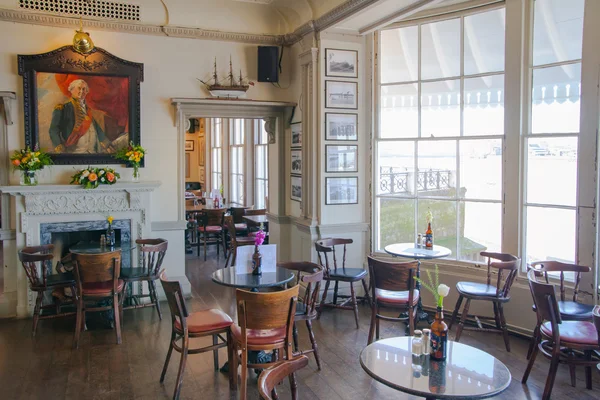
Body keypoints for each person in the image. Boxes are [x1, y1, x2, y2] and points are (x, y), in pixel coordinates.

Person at [49, 79, 114, 154]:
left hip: (92, 152)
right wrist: (59, 146)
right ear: (71, 90)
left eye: (84, 89)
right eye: (79, 88)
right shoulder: (63, 108)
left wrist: (106, 143)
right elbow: (53, 130)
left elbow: (97, 128)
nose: (82, 91)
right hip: (73, 151)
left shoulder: (87, 110)